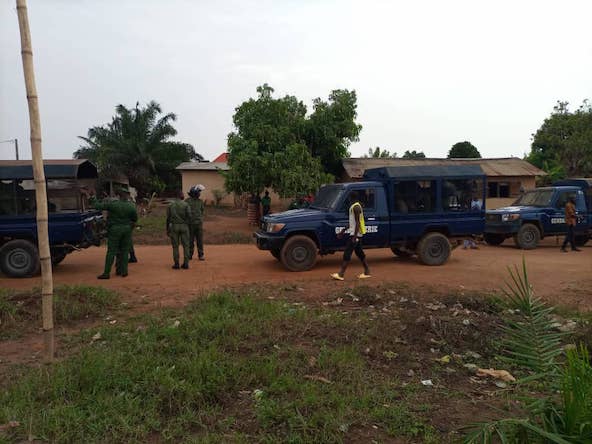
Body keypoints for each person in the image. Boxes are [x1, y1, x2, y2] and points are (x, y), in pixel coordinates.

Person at [86, 186, 138, 279]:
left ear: (118, 195)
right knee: (125, 251)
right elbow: (134, 219)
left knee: (111, 251)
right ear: (127, 196)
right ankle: (124, 271)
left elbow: (97, 206)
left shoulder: (113, 204)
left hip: (114, 229)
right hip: (127, 229)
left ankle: (106, 273)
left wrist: (92, 197)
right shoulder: (131, 206)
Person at [331, 191, 371, 281]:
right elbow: (352, 222)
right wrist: (343, 230)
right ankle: (367, 271)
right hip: (357, 234)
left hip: (355, 234)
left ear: (350, 198)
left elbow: (357, 223)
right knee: (359, 253)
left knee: (347, 253)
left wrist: (354, 237)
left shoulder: (356, 207)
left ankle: (341, 274)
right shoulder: (354, 207)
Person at [167, 190, 192, 269]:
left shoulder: (171, 205)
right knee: (186, 246)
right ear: (180, 196)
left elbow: (168, 218)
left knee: (175, 246)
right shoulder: (186, 205)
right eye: (182, 194)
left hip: (174, 226)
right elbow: (189, 216)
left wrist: (167, 228)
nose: (183, 195)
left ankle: (176, 263)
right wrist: (187, 224)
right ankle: (186, 263)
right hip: (184, 226)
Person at [187, 184, 205, 261]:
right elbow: (202, 211)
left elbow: (202, 211)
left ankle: (195, 255)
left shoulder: (198, 201)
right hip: (193, 224)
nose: (199, 194)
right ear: (195, 193)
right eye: (198, 192)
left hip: (195, 224)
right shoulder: (189, 201)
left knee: (196, 240)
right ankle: (195, 255)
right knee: (194, 240)